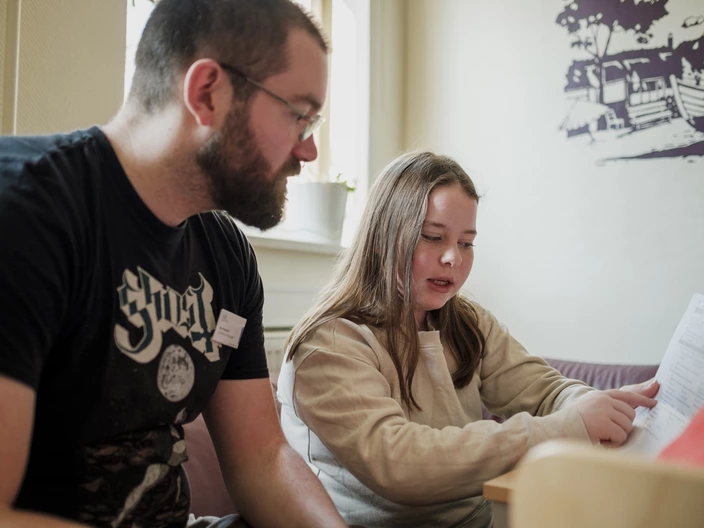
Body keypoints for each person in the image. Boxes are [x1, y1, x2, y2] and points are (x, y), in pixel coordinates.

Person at [0, 0, 348, 527]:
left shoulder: (226, 254)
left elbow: (260, 458)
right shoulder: (25, 211)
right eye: (298, 115)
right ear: (206, 93)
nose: (309, 151)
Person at [277, 151, 660, 528]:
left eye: (466, 243)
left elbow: (545, 390)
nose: (453, 258)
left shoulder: (468, 322)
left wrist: (593, 405)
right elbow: (398, 464)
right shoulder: (329, 344)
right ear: (382, 238)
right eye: (432, 237)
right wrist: (569, 427)